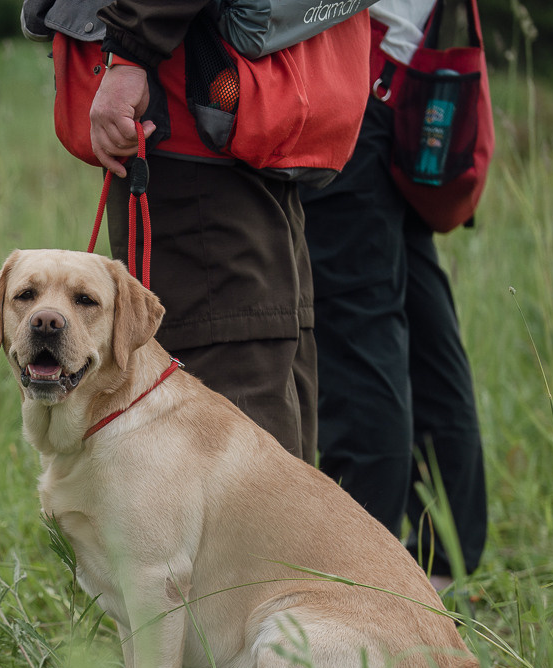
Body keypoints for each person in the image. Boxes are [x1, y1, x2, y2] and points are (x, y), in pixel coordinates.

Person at [21, 0, 370, 463]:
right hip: (238, 136)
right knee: (266, 406)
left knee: (225, 434)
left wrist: (129, 57)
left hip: (191, 134)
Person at [299, 0, 488, 586]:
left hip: (355, 81)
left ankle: (364, 588)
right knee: (420, 328)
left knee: (358, 353)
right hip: (403, 85)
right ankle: (441, 567)